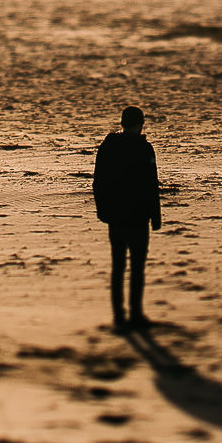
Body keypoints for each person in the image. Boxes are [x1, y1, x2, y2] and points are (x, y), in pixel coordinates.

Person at [93, 105, 161, 330]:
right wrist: (155, 215)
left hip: (121, 217)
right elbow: (152, 185)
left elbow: (99, 183)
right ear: (140, 124)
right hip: (132, 217)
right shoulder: (143, 149)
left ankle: (127, 315)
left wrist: (103, 211)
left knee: (123, 267)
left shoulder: (110, 147)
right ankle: (129, 315)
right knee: (130, 267)